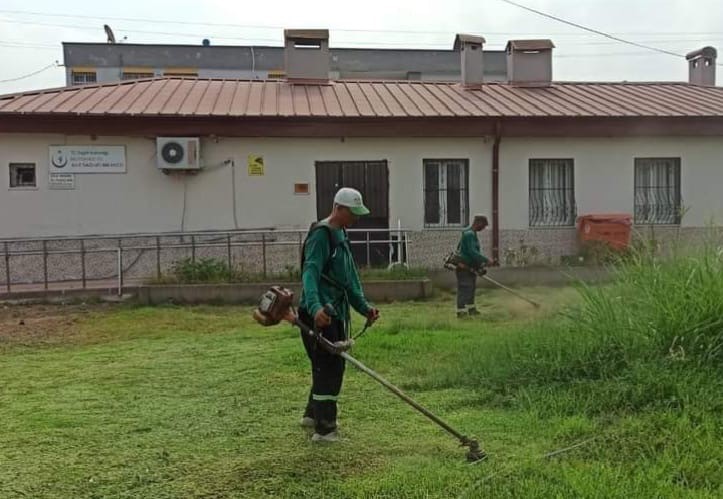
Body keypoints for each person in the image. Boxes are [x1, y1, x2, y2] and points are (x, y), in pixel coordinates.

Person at [297, 187, 380, 442]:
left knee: (326, 366)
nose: (356, 218)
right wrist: (315, 308)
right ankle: (324, 429)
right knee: (329, 368)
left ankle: (312, 415)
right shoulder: (321, 236)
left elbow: (349, 280)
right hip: (320, 313)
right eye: (352, 213)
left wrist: (364, 307)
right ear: (338, 208)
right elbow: (310, 274)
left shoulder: (341, 234)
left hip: (335, 312)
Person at [455, 215, 490, 318]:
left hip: (471, 267)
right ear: (478, 222)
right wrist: (486, 260)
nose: (483, 228)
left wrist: (479, 265)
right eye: (483, 226)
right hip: (464, 267)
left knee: (471, 288)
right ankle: (461, 312)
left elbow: (463, 249)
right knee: (465, 288)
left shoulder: (470, 233)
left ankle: (471, 309)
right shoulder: (469, 234)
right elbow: (472, 252)